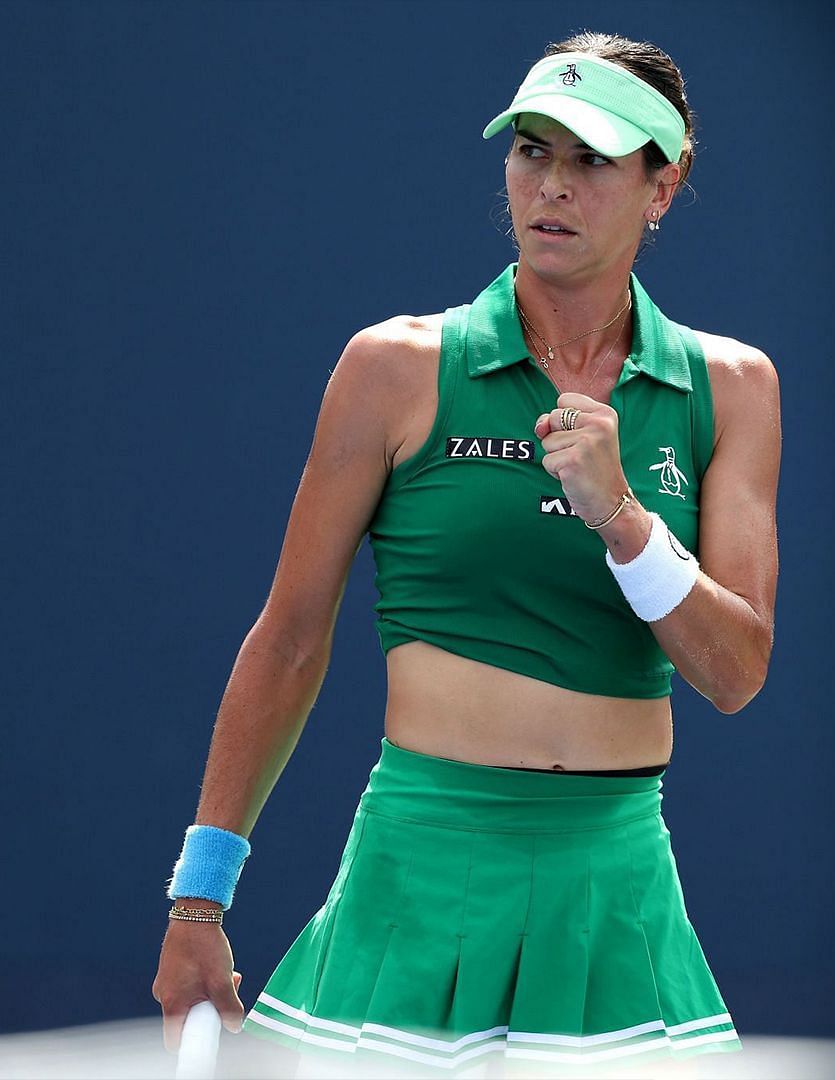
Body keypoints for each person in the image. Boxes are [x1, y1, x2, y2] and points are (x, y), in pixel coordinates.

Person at [150, 32, 780, 1073]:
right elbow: (290, 641)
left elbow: (735, 671)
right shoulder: (393, 369)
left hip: (615, 894)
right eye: (532, 151)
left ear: (662, 188)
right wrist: (197, 896)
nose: (552, 186)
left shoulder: (735, 389)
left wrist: (624, 519)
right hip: (417, 872)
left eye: (591, 160)